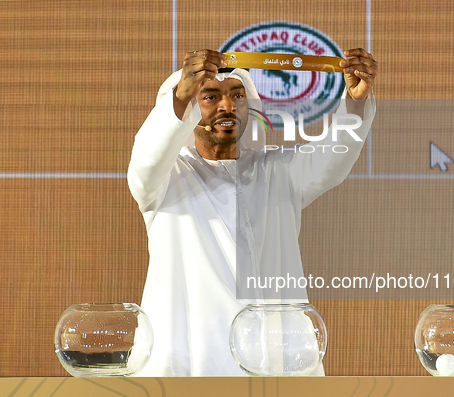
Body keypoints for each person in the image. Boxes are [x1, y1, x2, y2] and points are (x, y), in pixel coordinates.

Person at [127, 49, 378, 376]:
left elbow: (333, 159)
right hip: (186, 369)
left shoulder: (278, 170)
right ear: (188, 109)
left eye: (237, 95)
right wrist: (179, 96)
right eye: (210, 96)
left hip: (275, 366)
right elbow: (147, 156)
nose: (227, 105)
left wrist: (355, 104)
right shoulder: (165, 179)